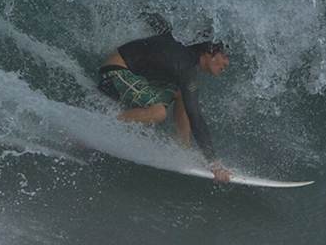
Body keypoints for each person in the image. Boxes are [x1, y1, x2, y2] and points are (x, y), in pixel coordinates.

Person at [97, 30, 233, 183]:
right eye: (225, 56)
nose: (227, 63)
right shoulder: (185, 66)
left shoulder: (186, 55)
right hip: (113, 73)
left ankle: (182, 146)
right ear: (210, 52)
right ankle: (101, 125)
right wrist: (214, 163)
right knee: (159, 113)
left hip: (136, 75)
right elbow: (196, 117)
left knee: (183, 94)